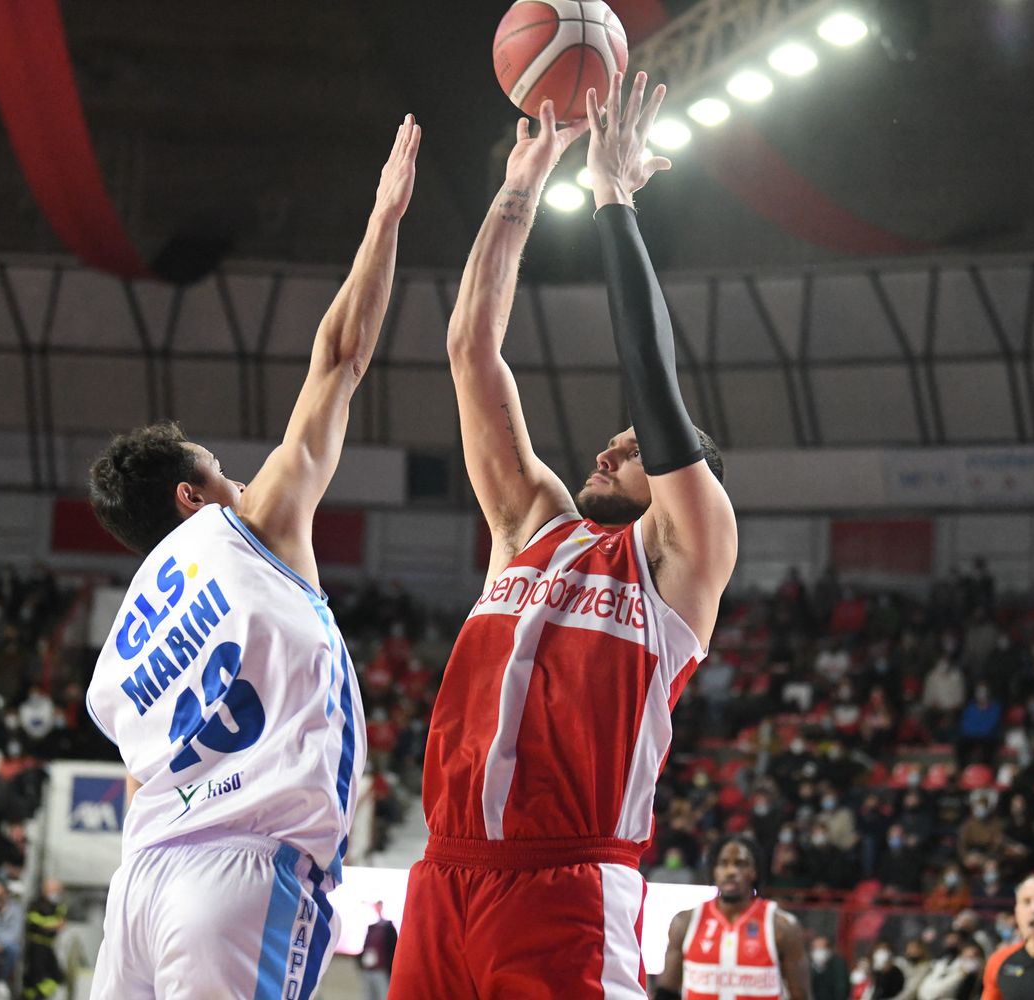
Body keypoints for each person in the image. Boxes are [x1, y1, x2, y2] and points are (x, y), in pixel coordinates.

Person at [388, 73, 737, 998]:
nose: (613, 441)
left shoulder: (683, 556)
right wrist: (525, 186)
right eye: (615, 439)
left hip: (570, 881)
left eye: (636, 449)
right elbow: (471, 348)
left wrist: (611, 197)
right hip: (444, 874)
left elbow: (655, 390)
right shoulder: (532, 525)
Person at [82, 114, 420, 1000]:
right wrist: (384, 221)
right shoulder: (249, 527)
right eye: (220, 471)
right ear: (191, 498)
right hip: (242, 868)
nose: (241, 478)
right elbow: (340, 360)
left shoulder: (132, 625)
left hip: (141, 884)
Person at [658, 838, 811, 1000]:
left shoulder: (782, 926)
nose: (731, 871)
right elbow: (667, 991)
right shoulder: (685, 922)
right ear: (714, 871)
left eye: (740, 864)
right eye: (723, 864)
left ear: (755, 872)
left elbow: (801, 995)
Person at [22, 878, 66, 1000]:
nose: (56, 893)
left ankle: (40, 995)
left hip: (49, 945)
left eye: (58, 890)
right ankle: (32, 995)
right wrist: (51, 924)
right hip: (36, 945)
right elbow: (34, 921)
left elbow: (61, 921)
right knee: (35, 976)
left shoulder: (58, 906)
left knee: (58, 977)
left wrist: (51, 924)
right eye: (53, 890)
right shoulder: (35, 904)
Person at [356, 901, 397, 1000]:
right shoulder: (371, 928)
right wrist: (360, 964)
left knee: (383, 995)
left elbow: (392, 949)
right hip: (368, 969)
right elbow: (365, 947)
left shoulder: (389, 928)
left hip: (381, 970)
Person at [809, 935, 849, 1000]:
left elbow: (841, 989)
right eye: (815, 948)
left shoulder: (838, 964)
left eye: (820, 948)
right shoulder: (810, 965)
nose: (817, 951)